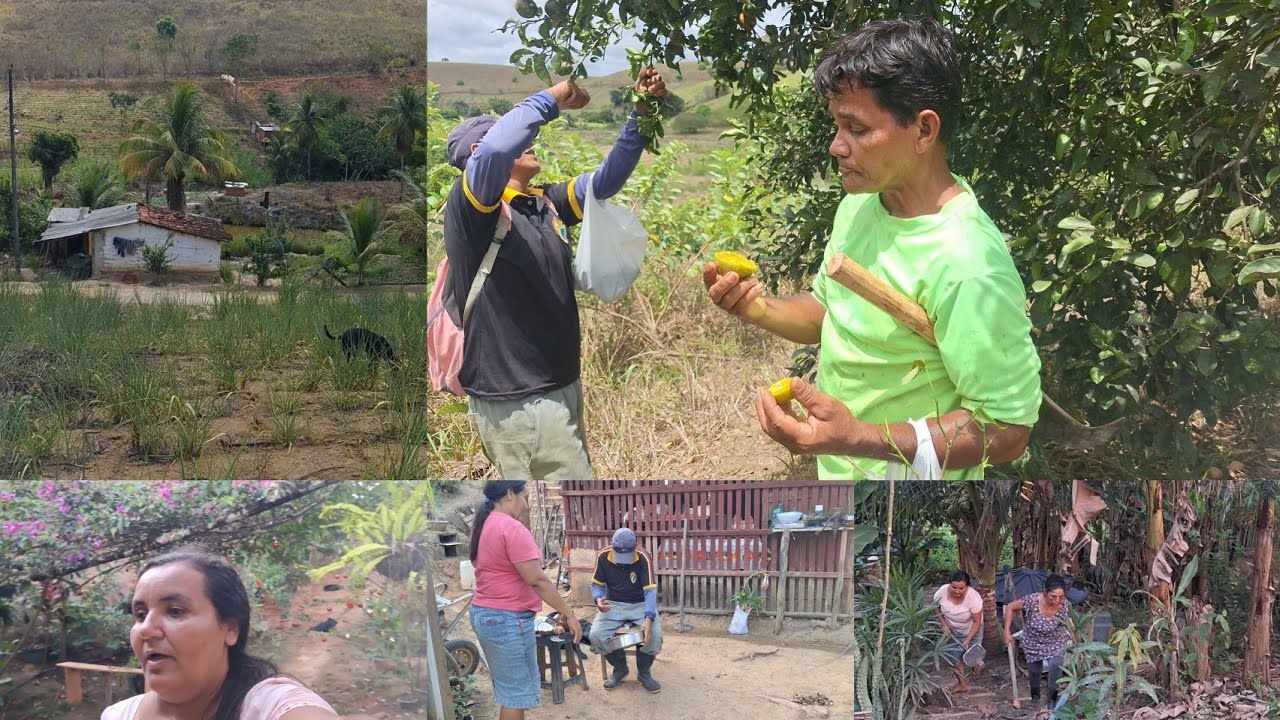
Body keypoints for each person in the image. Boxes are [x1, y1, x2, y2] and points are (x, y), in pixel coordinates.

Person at [703, 16, 1042, 480]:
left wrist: (857, 437)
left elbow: (1007, 430)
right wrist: (757, 308)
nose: (836, 147)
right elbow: (829, 312)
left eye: (856, 129)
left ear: (923, 131)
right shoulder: (862, 206)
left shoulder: (967, 263)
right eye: (836, 127)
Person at [442, 68, 667, 481]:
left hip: (558, 384)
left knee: (572, 502)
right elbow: (493, 153)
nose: (531, 139)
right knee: (572, 508)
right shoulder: (472, 210)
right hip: (519, 400)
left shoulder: (542, 202)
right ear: (478, 149)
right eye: (516, 135)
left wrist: (641, 112)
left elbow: (605, 181)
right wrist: (551, 98)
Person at [103, 546, 349, 720]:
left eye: (175, 611)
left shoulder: (270, 706)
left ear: (230, 628)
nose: (145, 629)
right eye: (140, 615)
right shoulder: (117, 715)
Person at [469, 481, 583, 720]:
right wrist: (568, 613)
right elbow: (538, 580)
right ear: (509, 494)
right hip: (506, 619)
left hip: (487, 614)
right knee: (515, 696)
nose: (525, 504)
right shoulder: (511, 527)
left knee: (510, 691)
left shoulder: (483, 525)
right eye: (524, 497)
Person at [586, 528, 662, 693]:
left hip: (640, 603)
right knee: (595, 635)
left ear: (635, 546)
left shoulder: (643, 557)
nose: (623, 561)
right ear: (612, 547)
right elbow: (597, 585)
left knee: (654, 634)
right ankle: (620, 668)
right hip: (613, 603)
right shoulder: (603, 556)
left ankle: (644, 672)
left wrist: (649, 618)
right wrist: (598, 599)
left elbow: (650, 590)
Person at [1003, 574, 1072, 711]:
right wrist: (1006, 632)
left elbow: (1070, 625)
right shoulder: (1032, 600)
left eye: (1061, 596)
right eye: (1053, 596)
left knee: (1055, 667)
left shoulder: (1065, 605)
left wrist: (1077, 644)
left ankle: (1052, 699)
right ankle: (1035, 697)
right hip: (1033, 641)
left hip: (1055, 641)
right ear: (1045, 592)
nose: (1058, 600)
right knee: (1035, 671)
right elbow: (1010, 607)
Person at [932, 570, 984, 693]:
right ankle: (963, 684)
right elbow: (935, 608)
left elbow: (977, 622)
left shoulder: (974, 598)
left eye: (961, 588)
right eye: (954, 587)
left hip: (972, 629)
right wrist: (943, 624)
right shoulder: (942, 592)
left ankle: (976, 666)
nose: (957, 591)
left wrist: (968, 639)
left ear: (967, 586)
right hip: (952, 629)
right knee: (954, 658)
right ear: (949, 584)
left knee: (973, 656)